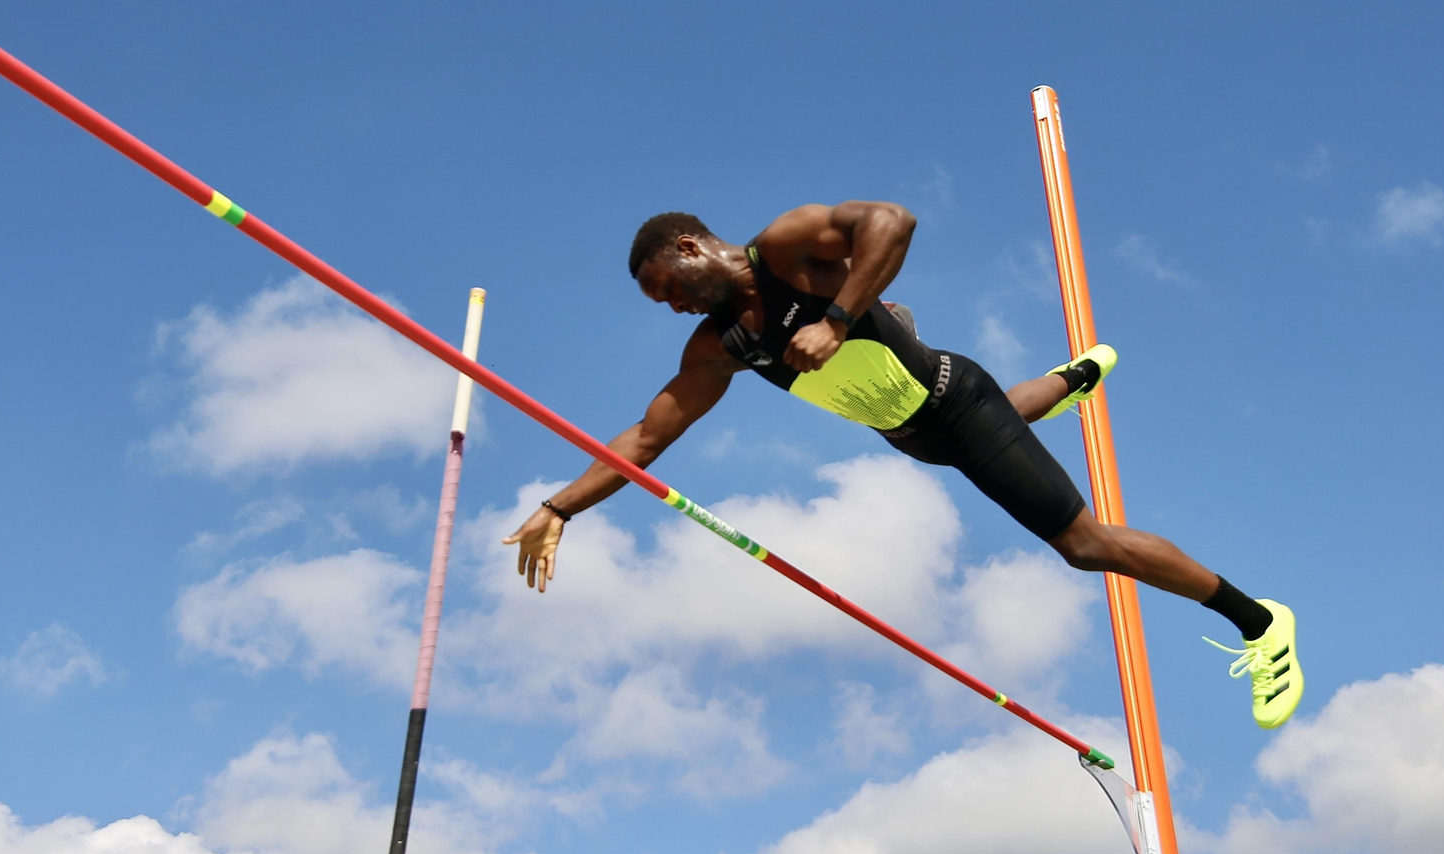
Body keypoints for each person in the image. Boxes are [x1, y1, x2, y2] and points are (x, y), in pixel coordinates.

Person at [503, 202, 1303, 728]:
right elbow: (645, 435)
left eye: (667, 288)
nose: (673, 306)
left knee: (1084, 544)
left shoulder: (783, 250)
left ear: (689, 247)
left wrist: (842, 319)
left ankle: (1260, 622)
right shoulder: (719, 345)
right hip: (911, 434)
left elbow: (892, 219)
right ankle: (1069, 381)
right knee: (982, 439)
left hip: (955, 400)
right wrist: (560, 506)